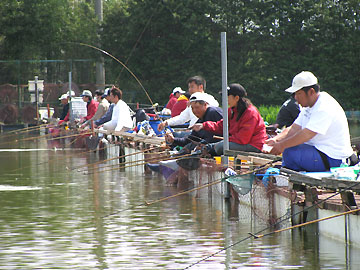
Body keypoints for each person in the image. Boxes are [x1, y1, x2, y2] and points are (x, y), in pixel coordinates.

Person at [264, 71, 353, 172]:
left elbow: (307, 134)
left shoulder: (324, 106)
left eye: (298, 93)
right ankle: (289, 178)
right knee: (289, 150)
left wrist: (282, 145)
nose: (295, 98)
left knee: (289, 151)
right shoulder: (308, 106)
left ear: (311, 92)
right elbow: (294, 128)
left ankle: (288, 180)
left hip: (333, 157)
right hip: (317, 151)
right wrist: (276, 140)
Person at [192, 83, 267, 155]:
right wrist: (203, 125)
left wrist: (224, 141)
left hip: (254, 145)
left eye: (227, 96)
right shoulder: (231, 110)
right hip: (241, 142)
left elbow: (243, 139)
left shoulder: (250, 113)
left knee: (219, 147)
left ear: (236, 98)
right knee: (212, 146)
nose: (225, 99)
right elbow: (222, 125)